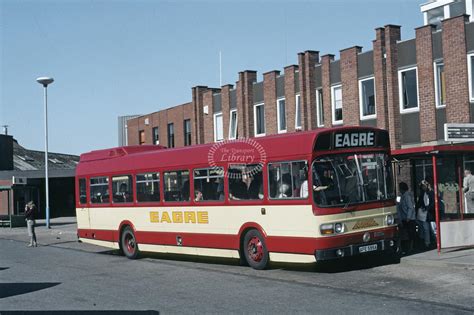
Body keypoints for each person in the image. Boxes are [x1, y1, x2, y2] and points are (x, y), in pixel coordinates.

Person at [397, 182, 416, 254]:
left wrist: (408, 217)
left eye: (400, 188)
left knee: (410, 234)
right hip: (405, 218)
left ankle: (411, 248)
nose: (399, 190)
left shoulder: (407, 196)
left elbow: (410, 207)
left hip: (409, 219)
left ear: (402, 189)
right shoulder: (402, 196)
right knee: (405, 234)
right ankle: (406, 248)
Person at [416, 180, 435, 249]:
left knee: (426, 228)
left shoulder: (429, 193)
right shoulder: (424, 193)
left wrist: (427, 208)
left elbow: (431, 202)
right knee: (425, 228)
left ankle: (427, 242)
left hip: (426, 213)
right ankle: (426, 242)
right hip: (423, 213)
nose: (422, 187)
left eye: (423, 186)